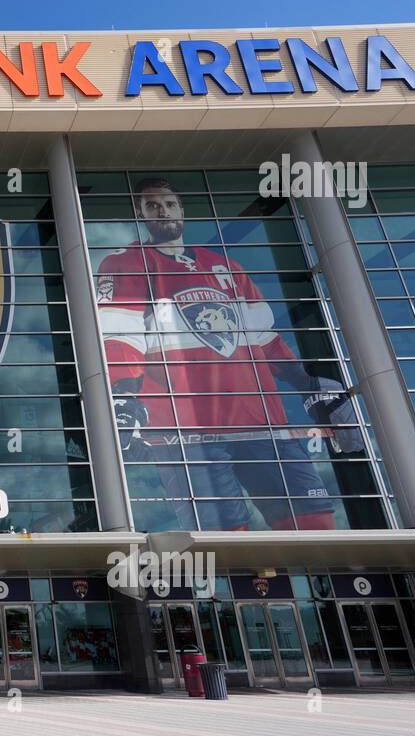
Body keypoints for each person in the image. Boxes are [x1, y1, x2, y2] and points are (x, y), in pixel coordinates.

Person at [96, 178, 360, 531]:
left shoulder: (227, 268)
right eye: (153, 206)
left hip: (264, 426)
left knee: (315, 526)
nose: (164, 211)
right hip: (188, 436)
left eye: (170, 204)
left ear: (182, 210)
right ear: (140, 214)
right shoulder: (125, 264)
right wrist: (124, 396)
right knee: (230, 546)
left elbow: (265, 340)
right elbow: (120, 337)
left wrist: (307, 383)